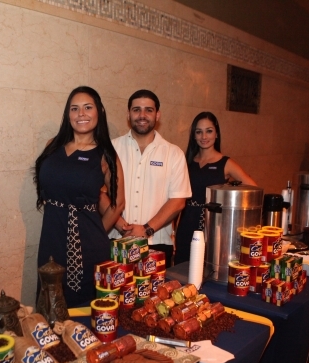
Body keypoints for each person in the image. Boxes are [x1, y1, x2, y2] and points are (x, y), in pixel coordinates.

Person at [34, 86, 125, 307]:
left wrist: (95, 233)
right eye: (74, 108)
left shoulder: (105, 155)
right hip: (51, 238)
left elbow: (118, 202)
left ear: (99, 112)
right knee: (50, 303)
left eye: (87, 107)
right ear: (68, 114)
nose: (81, 113)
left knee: (83, 308)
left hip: (87, 245)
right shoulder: (52, 146)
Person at [106, 90, 191, 268]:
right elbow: (99, 192)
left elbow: (178, 200)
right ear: (128, 114)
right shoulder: (111, 148)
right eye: (136, 109)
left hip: (157, 244)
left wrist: (146, 229)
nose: (142, 115)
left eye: (148, 110)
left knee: (157, 288)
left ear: (157, 115)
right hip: (116, 241)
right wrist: (120, 225)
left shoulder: (173, 153)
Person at [174, 112, 256, 264]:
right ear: (194, 135)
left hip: (213, 225)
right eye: (199, 132)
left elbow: (253, 189)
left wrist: (230, 207)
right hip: (186, 223)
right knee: (182, 266)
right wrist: (173, 231)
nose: (204, 136)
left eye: (209, 131)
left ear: (216, 134)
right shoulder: (187, 161)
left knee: (209, 267)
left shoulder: (226, 163)